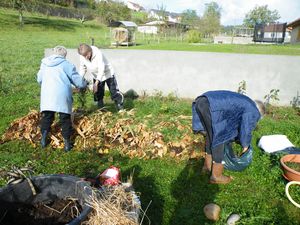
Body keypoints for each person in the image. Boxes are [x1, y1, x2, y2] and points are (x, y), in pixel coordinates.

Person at [192, 90, 265, 184]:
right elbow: (246, 127)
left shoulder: (246, 102)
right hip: (212, 106)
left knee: (210, 137)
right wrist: (245, 146)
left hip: (202, 100)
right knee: (220, 138)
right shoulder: (253, 110)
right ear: (259, 112)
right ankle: (216, 176)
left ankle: (207, 167)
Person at [37, 46, 87, 152]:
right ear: (64, 55)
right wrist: (84, 84)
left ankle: (43, 140)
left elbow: (39, 79)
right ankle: (67, 144)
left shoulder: (44, 63)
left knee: (47, 117)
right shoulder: (67, 64)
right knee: (65, 119)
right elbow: (77, 81)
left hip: (47, 95)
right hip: (62, 95)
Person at [77, 43, 124, 111]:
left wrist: (96, 83)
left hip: (108, 73)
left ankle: (120, 106)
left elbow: (101, 68)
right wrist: (79, 80)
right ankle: (101, 108)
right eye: (84, 56)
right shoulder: (82, 56)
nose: (86, 57)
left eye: (87, 55)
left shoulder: (97, 53)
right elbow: (82, 68)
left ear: (90, 51)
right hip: (96, 75)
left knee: (114, 92)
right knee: (98, 93)